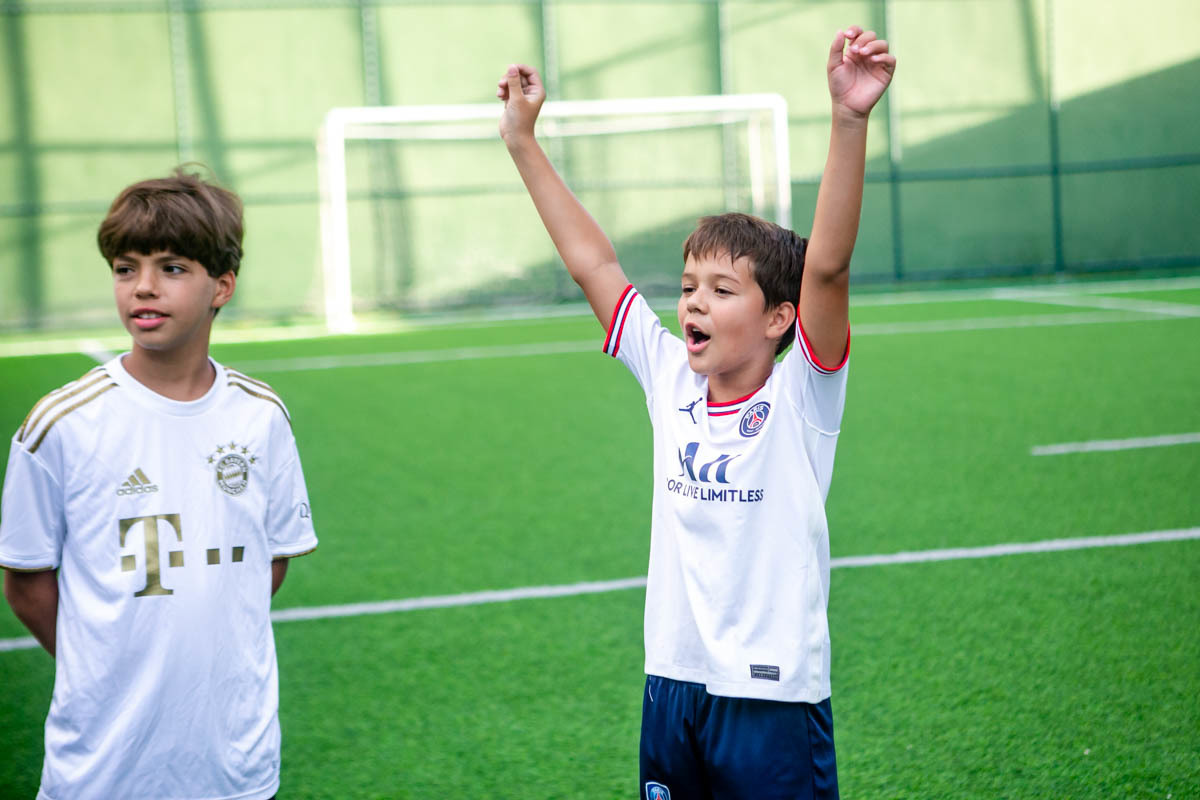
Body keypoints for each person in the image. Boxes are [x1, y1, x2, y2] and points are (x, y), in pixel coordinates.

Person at [498, 25, 894, 799]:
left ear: (779, 317)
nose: (693, 304)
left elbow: (828, 269)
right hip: (673, 681)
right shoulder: (671, 378)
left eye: (721, 289)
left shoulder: (800, 398)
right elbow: (594, 263)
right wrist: (522, 141)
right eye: (687, 288)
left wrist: (849, 119)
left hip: (771, 697)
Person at [0, 168, 318, 800]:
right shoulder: (61, 424)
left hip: (235, 760)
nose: (143, 286)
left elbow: (269, 562)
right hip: (104, 769)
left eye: (172, 268)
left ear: (222, 285)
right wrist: (102, 661)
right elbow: (27, 583)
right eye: (126, 268)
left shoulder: (261, 416)